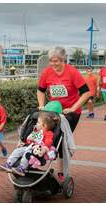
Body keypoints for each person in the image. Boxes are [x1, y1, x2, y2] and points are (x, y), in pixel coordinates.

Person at [37, 46, 90, 181]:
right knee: (46, 136)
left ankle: (62, 172)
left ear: (63, 59)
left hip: (70, 113)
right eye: (51, 61)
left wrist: (73, 108)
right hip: (53, 111)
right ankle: (37, 162)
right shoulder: (47, 72)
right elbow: (40, 90)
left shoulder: (72, 72)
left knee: (61, 141)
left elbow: (86, 92)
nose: (53, 64)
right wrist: (42, 105)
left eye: (56, 61)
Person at [0, 112, 56, 176]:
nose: (36, 123)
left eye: (38, 122)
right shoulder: (37, 131)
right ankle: (8, 164)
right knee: (17, 151)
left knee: (26, 154)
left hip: (37, 151)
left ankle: (21, 168)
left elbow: (48, 142)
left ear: (44, 125)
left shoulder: (49, 133)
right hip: (30, 147)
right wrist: (28, 141)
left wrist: (44, 148)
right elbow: (29, 141)